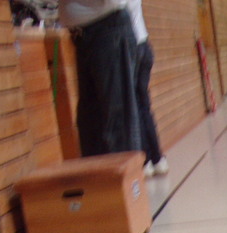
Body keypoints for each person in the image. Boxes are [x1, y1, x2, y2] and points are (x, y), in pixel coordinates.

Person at [59, 0, 141, 157]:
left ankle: (125, 172)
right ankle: (104, 174)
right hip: (87, 34)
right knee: (91, 130)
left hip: (107, 28)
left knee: (118, 127)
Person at [126, 0, 169, 176]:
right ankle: (157, 159)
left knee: (134, 108)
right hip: (144, 44)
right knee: (143, 106)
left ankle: (146, 160)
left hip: (132, 47)